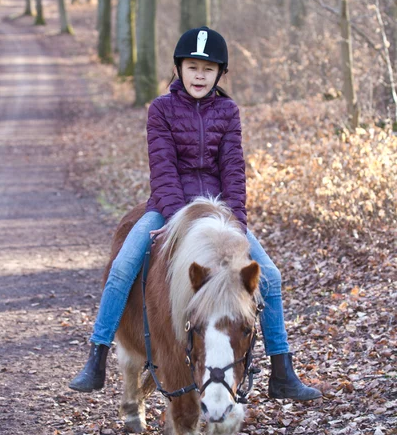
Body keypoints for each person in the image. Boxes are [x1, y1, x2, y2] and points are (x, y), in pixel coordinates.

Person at [69, 26, 321, 401]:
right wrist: (176, 224)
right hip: (168, 210)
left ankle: (282, 369)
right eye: (192, 67)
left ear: (220, 74)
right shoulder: (162, 110)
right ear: (178, 69)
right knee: (123, 265)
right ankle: (97, 355)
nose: (199, 75)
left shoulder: (228, 111)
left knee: (270, 275)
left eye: (208, 69)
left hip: (220, 212)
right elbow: (164, 171)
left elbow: (233, 172)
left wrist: (235, 225)